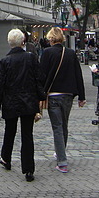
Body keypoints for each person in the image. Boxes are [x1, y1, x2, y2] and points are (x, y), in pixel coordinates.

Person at [0, 28, 44, 182]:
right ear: (23, 42)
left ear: (9, 43)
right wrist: (40, 97)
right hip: (28, 101)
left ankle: (6, 158)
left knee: (10, 131)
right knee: (27, 135)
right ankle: (28, 169)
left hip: (10, 102)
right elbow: (38, 78)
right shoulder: (31, 58)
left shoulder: (4, 61)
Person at [39, 27, 86, 173]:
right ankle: (61, 152)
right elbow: (78, 74)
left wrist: (39, 94)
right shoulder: (71, 53)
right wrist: (82, 96)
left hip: (53, 95)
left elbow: (42, 75)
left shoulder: (47, 53)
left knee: (57, 127)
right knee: (64, 125)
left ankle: (62, 161)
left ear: (51, 38)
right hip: (68, 94)